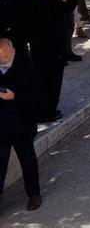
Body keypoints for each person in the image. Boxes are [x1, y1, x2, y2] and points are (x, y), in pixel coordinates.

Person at [0, 38, 41, 211]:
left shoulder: (26, 69)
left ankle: (34, 194)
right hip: (1, 127)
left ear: (14, 52)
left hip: (22, 125)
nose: (4, 61)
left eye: (7, 57)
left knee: (28, 161)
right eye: (0, 59)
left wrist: (15, 97)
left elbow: (35, 98)